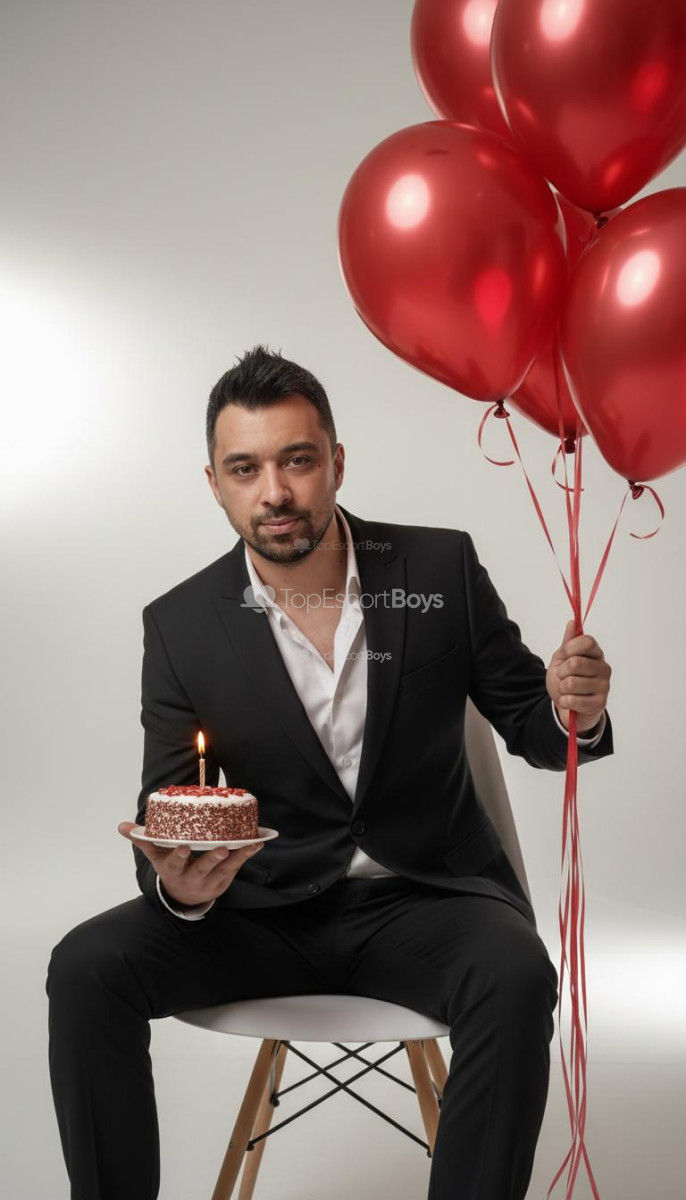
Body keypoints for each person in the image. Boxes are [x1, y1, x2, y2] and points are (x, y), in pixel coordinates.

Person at [46, 344, 613, 1200]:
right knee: (85, 966)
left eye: (297, 460)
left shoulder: (439, 571)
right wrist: (183, 889)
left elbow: (535, 727)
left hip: (425, 901)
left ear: (337, 463)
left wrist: (577, 710)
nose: (274, 491)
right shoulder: (181, 625)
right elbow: (166, 809)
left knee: (517, 972)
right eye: (246, 468)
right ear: (215, 483)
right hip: (258, 914)